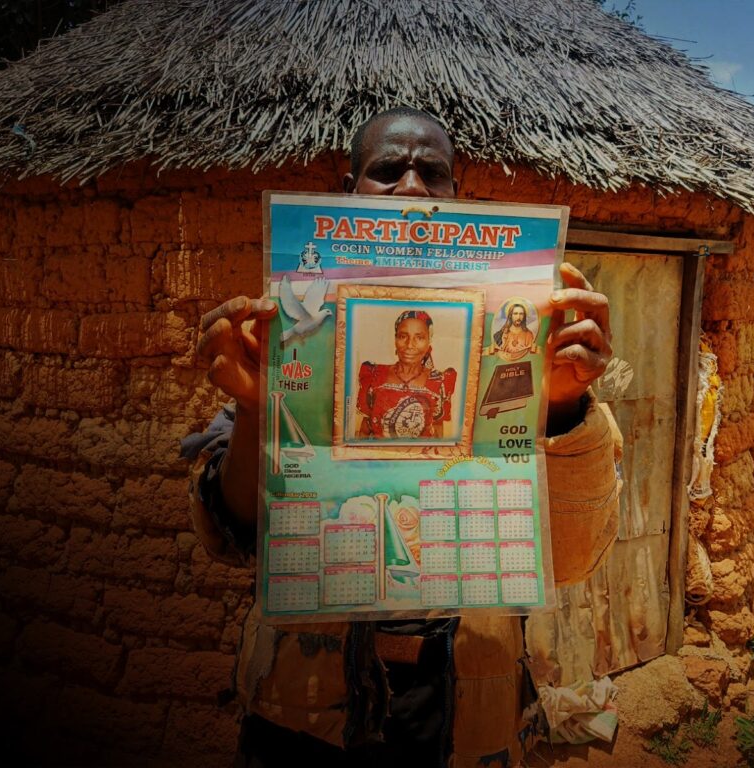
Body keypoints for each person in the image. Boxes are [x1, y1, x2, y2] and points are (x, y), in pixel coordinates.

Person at [186, 107, 619, 768]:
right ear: (349, 186)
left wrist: (562, 405)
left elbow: (577, 556)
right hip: (305, 712)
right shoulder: (295, 331)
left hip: (468, 702)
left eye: (432, 174)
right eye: (388, 170)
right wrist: (254, 409)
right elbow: (232, 532)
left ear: (456, 197)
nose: (412, 188)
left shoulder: (521, 354)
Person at [357, 309, 457, 439]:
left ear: (429, 341)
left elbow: (437, 433)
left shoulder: (439, 382)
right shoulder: (374, 375)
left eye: (419, 337)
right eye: (403, 336)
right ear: (395, 339)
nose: (409, 345)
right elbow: (364, 431)